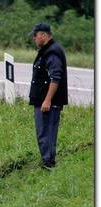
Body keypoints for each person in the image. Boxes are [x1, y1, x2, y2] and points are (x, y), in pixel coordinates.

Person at [28, 23, 68, 169]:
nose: (34, 38)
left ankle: (48, 164)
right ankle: (48, 161)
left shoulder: (52, 52)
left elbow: (55, 77)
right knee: (44, 133)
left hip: (48, 102)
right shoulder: (47, 50)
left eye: (36, 35)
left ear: (44, 35)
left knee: (46, 134)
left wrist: (47, 100)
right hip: (43, 101)